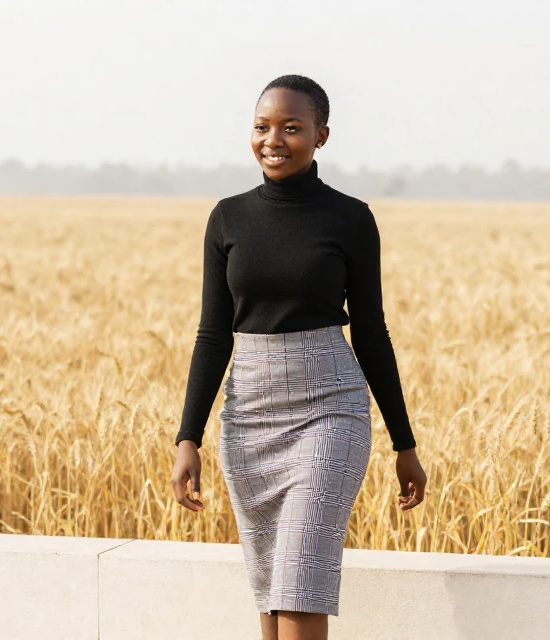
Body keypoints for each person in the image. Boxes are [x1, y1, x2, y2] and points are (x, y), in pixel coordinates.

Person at [170, 74, 428, 640]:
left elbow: (373, 333)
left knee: (300, 583)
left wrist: (403, 445)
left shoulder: (350, 218)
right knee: (271, 587)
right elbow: (214, 333)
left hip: (329, 410)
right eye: (262, 127)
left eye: (292, 127)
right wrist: (187, 436)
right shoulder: (227, 218)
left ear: (322, 135)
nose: (273, 139)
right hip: (251, 415)